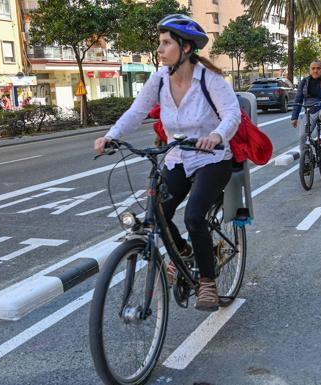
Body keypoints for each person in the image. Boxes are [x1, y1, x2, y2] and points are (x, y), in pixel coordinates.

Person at [94, 14, 240, 312]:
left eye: (165, 43)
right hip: (176, 157)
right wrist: (111, 136)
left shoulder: (209, 80)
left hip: (211, 159)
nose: (159, 49)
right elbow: (137, 112)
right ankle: (185, 252)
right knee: (156, 214)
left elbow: (232, 114)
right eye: (159, 43)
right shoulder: (158, 79)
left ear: (185, 49)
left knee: (194, 217)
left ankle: (208, 282)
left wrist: (216, 135)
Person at [290, 60, 321, 150]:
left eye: (318, 68)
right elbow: (298, 99)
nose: (315, 71)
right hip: (309, 111)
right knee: (302, 136)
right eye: (313, 68)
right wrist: (294, 117)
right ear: (310, 70)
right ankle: (305, 160)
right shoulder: (304, 82)